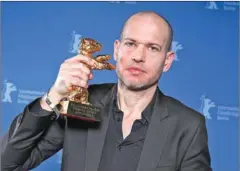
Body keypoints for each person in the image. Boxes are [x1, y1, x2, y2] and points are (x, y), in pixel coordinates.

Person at [1, 11, 212, 171]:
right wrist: (53, 96)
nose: (138, 56)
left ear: (167, 61)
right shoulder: (80, 104)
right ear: (116, 50)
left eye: (152, 48)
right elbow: (6, 163)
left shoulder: (188, 126)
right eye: (131, 43)